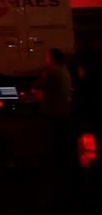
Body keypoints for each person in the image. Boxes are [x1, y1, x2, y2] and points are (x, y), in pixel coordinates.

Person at [34, 48, 75, 180]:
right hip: (63, 112)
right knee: (60, 143)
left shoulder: (53, 72)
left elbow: (38, 87)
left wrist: (37, 92)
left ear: (52, 59)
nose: (46, 60)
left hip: (53, 113)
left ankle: (54, 171)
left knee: (52, 142)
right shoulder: (64, 70)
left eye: (47, 57)